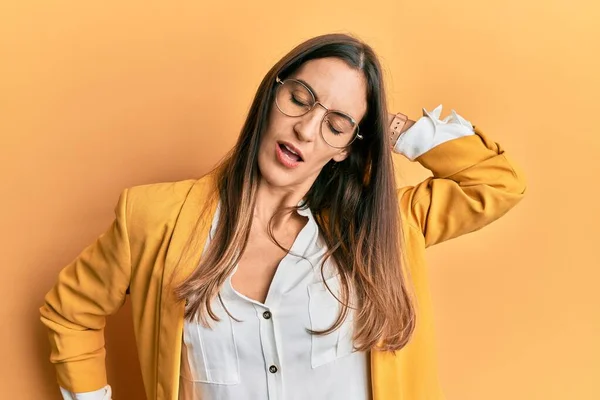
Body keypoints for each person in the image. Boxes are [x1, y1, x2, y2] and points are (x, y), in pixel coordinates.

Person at [40, 33, 527, 400]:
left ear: (346, 147)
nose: (307, 129)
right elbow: (69, 313)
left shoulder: (383, 230)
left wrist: (394, 130)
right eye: (300, 98)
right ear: (270, 94)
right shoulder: (152, 219)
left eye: (336, 124)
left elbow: (497, 184)